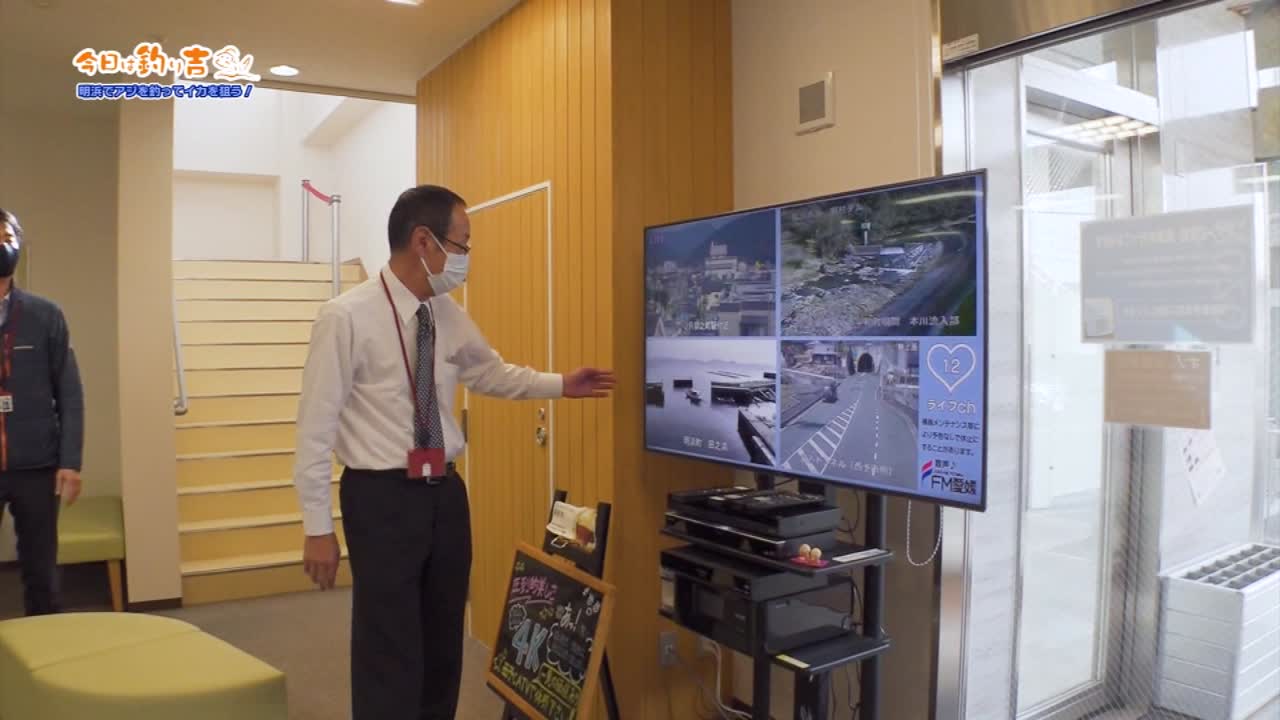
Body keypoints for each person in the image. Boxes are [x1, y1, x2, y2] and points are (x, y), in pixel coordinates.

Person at [293, 185, 615, 720]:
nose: (466, 256)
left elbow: (490, 373)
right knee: (388, 645)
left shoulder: (445, 313)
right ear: (424, 241)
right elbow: (315, 425)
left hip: (444, 494)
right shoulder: (345, 317)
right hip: (380, 497)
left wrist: (561, 384)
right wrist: (316, 525)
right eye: (461, 243)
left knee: (443, 640)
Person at [0, 207, 84, 616]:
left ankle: (46, 642)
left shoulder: (44, 315)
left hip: (36, 465)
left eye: (4, 237)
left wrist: (70, 461)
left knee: (41, 571)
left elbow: (69, 391)